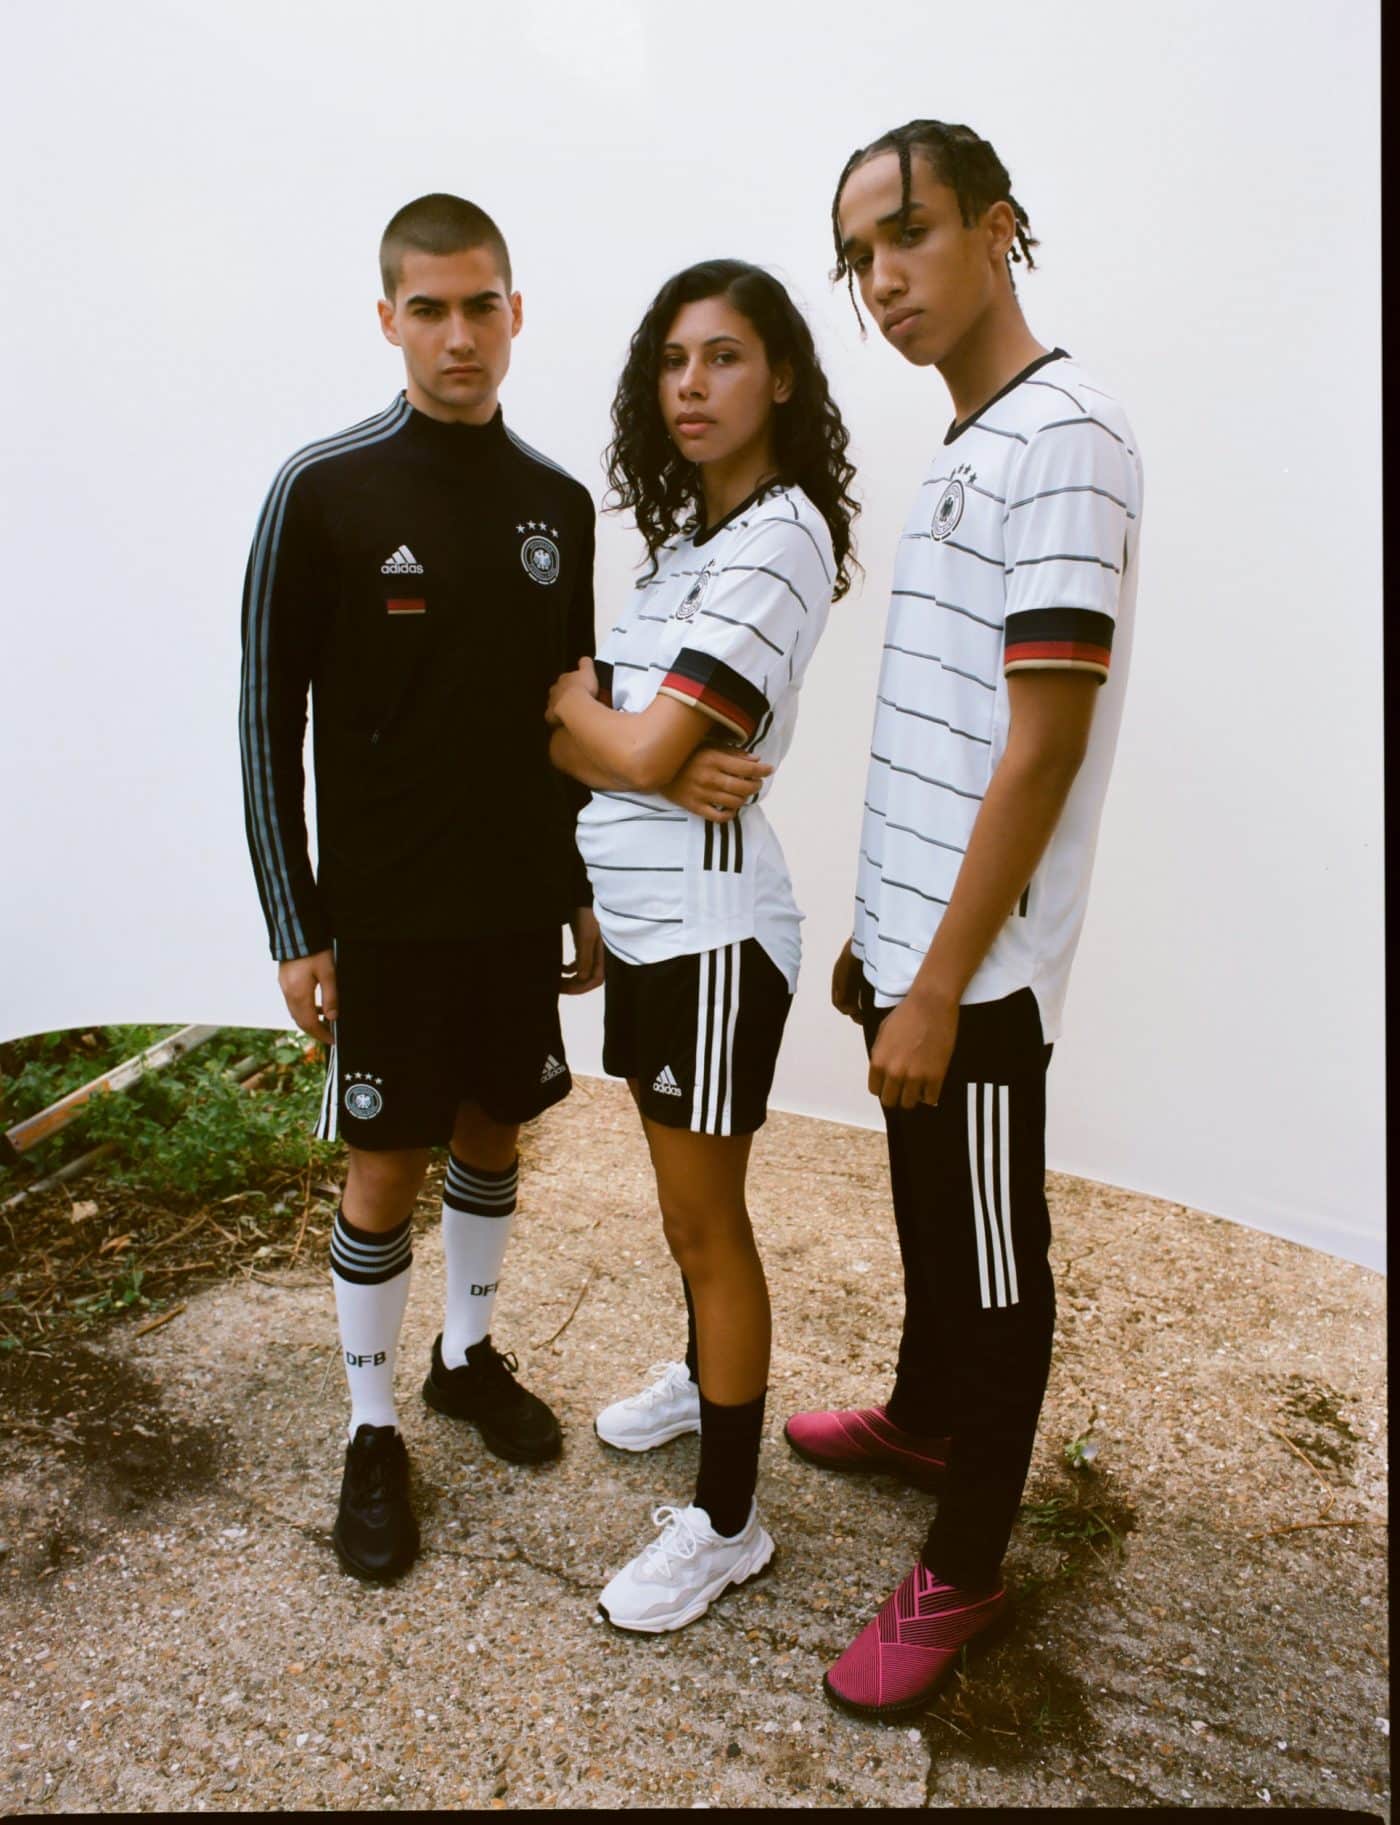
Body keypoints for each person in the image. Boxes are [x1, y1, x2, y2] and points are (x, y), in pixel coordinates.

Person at [788, 121, 1144, 1718]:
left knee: (997, 1259)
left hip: (980, 972)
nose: (882, 278)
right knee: (931, 1216)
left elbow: (1043, 741)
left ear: (999, 228)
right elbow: (948, 719)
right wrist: (881, 938)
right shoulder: (970, 439)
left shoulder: (1067, 432)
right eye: (858, 255)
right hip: (920, 944)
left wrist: (937, 979)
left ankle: (971, 1555)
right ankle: (927, 1416)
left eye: (909, 234)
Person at [238, 193, 604, 1584]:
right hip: (384, 914)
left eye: (482, 306)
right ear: (388, 318)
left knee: (495, 1129)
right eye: (431, 309)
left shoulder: (557, 505)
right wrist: (296, 922)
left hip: (511, 901)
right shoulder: (323, 489)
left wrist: (575, 882)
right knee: (385, 1165)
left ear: (517, 314)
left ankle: (467, 1355)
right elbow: (265, 718)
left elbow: (568, 712)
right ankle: (371, 1426)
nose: (460, 334)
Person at [545, 259, 857, 1630]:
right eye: (674, 360)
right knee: (687, 1206)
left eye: (724, 356)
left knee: (704, 1220)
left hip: (713, 936)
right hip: (651, 924)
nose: (692, 384)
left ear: (780, 376)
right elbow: (589, 740)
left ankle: (729, 1521)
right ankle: (700, 1376)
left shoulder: (779, 538)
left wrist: (607, 731)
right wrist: (629, 747)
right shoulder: (687, 546)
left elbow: (607, 730)